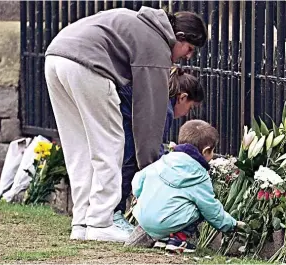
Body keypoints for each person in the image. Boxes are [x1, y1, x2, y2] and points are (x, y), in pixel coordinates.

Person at [44, 6, 207, 242]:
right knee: (110, 145)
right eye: (189, 49)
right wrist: (152, 169)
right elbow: (149, 113)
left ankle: (81, 222)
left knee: (79, 148)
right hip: (89, 66)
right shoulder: (157, 44)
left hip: (56, 56)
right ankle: (100, 222)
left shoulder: (137, 20)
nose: (187, 56)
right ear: (179, 37)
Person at [126, 120, 246, 252]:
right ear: (206, 151)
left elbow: (137, 180)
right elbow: (211, 208)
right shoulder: (199, 176)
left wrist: (141, 197)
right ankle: (177, 240)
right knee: (200, 208)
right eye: (212, 151)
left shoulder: (164, 160)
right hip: (167, 223)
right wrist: (231, 224)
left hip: (143, 218)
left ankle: (163, 239)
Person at [113, 67, 205, 234]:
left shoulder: (159, 98)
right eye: (190, 108)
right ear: (182, 97)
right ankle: (115, 214)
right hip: (126, 125)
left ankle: (113, 213)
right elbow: (152, 146)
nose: (186, 114)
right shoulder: (166, 110)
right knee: (128, 163)